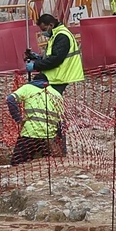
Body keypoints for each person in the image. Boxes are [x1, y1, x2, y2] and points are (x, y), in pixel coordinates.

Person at [25, 13, 82, 153]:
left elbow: (56, 59)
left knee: (52, 110)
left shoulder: (62, 36)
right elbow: (52, 56)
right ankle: (48, 143)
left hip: (59, 77)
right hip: (55, 76)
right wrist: (38, 58)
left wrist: (36, 65)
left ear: (51, 24)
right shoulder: (56, 35)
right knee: (48, 107)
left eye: (44, 28)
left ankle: (57, 144)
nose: (44, 32)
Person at [6, 70, 64, 165]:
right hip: (48, 136)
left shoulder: (28, 88)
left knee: (16, 164)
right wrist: (58, 139)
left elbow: (10, 100)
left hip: (30, 134)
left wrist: (18, 119)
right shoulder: (57, 94)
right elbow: (61, 121)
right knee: (47, 166)